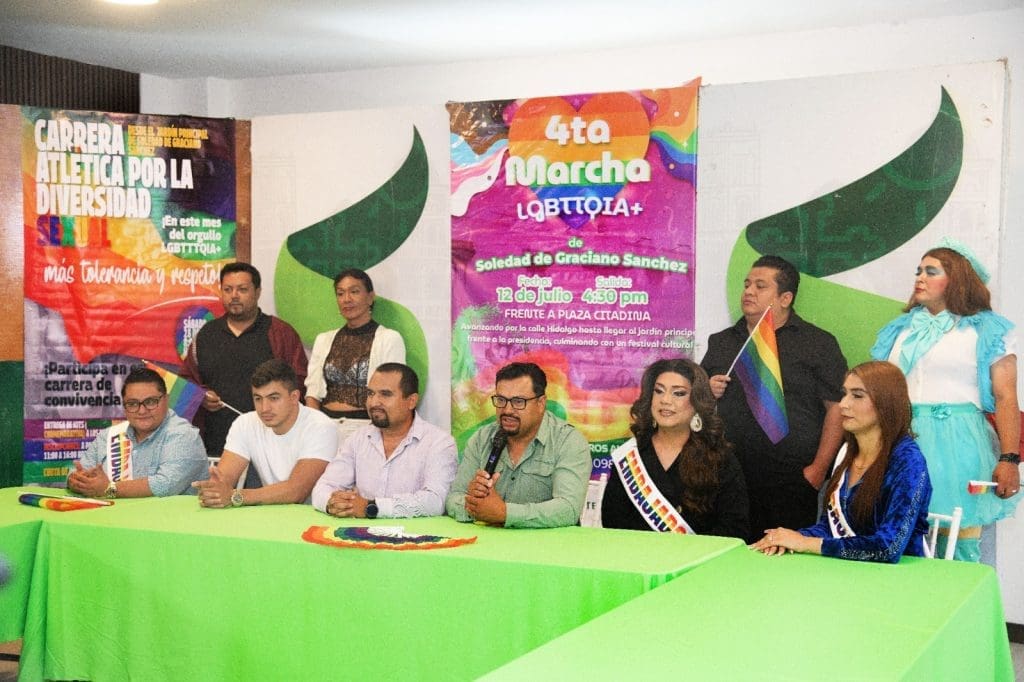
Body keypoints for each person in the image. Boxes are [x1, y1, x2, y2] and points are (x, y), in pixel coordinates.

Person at [871, 239, 1020, 561]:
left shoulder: (987, 329)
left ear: (957, 279)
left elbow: (1006, 397)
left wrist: (1009, 459)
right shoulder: (901, 329)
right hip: (902, 440)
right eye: (918, 271)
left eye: (931, 271)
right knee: (900, 536)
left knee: (958, 541)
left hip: (958, 443)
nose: (920, 278)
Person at [702, 255, 847, 542]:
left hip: (792, 479)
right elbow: (694, 402)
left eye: (760, 286)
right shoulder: (722, 341)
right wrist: (706, 390)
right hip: (728, 474)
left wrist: (818, 470)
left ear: (785, 298)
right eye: (747, 284)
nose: (749, 291)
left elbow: (837, 408)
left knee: (784, 558)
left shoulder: (818, 343)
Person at [750, 361, 932, 563]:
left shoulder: (909, 461)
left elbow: (888, 549)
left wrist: (805, 543)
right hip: (846, 569)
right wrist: (790, 538)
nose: (843, 404)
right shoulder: (846, 452)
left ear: (886, 403)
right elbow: (829, 527)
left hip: (900, 576)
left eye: (857, 396)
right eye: (844, 394)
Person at [183, 262, 308, 488]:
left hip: (269, 449)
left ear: (257, 292)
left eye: (242, 289)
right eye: (228, 289)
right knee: (217, 501)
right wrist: (200, 396)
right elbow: (187, 382)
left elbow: (299, 383)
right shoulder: (206, 335)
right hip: (216, 446)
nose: (234, 296)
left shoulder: (280, 333)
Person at [596, 359, 749, 538]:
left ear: (697, 402)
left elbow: (734, 528)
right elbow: (613, 523)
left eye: (678, 393)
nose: (665, 400)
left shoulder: (719, 458)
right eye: (659, 391)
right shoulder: (631, 455)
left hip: (701, 556)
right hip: (637, 554)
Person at [445, 362, 591, 528]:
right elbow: (454, 497)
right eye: (501, 400)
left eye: (518, 401)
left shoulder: (568, 441)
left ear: (541, 403)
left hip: (545, 543)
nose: (507, 410)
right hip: (489, 541)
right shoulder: (482, 438)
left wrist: (504, 513)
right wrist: (474, 505)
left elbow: (568, 509)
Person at [312, 363, 457, 518]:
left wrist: (372, 508)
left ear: (411, 401)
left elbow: (436, 501)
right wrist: (333, 503)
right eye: (370, 393)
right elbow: (323, 488)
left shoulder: (439, 443)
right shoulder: (358, 439)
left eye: (385, 394)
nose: (374, 402)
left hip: (416, 533)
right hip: (361, 532)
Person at [194, 359, 337, 507]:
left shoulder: (321, 427)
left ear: (294, 397)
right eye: (258, 399)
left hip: (314, 515)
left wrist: (235, 496)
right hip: (269, 513)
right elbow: (223, 479)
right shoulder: (245, 423)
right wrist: (215, 491)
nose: (264, 408)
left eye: (273, 398)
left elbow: (296, 492)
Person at [67, 365, 207, 498]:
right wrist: (77, 481)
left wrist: (109, 489)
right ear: (124, 406)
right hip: (113, 513)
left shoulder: (183, 435)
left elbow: (166, 485)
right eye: (133, 404)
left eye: (150, 402)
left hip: (168, 515)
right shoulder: (108, 436)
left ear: (166, 400)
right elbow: (76, 472)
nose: (142, 411)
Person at [305, 268, 405, 444]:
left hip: (368, 429)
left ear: (370, 297)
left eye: (354, 291)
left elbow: (392, 394)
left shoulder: (389, 339)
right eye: (340, 293)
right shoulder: (324, 340)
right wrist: (315, 430)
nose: (346, 299)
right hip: (325, 428)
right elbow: (312, 393)